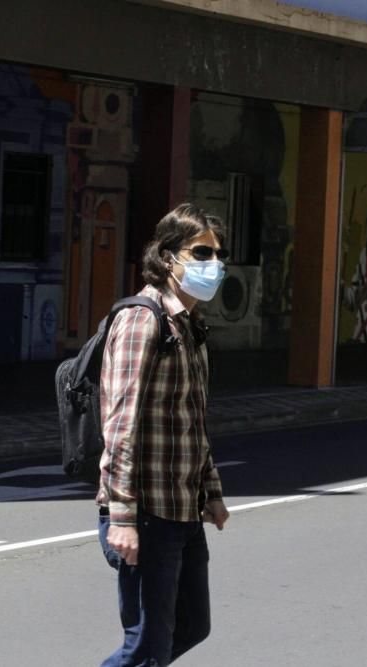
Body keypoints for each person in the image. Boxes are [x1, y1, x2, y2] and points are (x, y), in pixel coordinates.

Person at [97, 203, 231, 666]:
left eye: (218, 253)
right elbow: (121, 424)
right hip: (147, 512)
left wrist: (211, 491)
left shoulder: (189, 327)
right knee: (147, 647)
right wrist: (121, 517)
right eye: (201, 252)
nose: (214, 264)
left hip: (182, 508)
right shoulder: (143, 320)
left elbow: (192, 421)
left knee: (194, 625)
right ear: (169, 257)